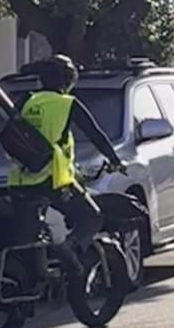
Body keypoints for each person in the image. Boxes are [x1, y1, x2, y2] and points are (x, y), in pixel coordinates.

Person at [8, 55, 125, 272]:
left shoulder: (25, 100)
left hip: (19, 180)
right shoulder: (67, 104)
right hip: (51, 181)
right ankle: (70, 248)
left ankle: (36, 273)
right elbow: (95, 134)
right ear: (68, 80)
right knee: (92, 216)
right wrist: (115, 161)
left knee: (29, 233)